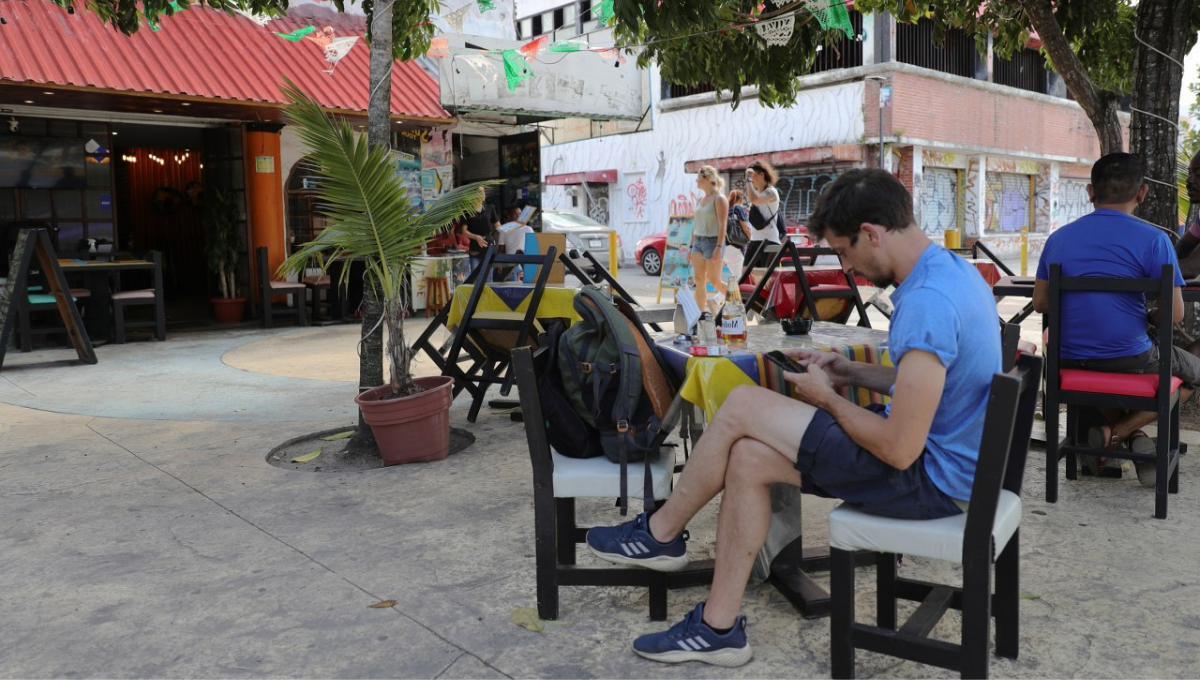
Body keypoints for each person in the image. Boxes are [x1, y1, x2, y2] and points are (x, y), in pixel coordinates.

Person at [585, 169, 1001, 667]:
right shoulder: (950, 272)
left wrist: (826, 397)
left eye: (845, 252)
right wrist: (849, 371)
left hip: (929, 480)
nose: (848, 268)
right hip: (951, 467)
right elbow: (932, 385)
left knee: (741, 404)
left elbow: (898, 448)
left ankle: (660, 532)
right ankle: (719, 628)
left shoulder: (927, 303)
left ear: (871, 232)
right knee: (747, 457)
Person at [1033, 152, 1200, 485]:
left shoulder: (1059, 238)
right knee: (1194, 374)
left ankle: (1120, 436)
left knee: (1102, 373)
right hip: (1130, 358)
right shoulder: (1155, 240)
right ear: (1143, 193)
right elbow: (1175, 314)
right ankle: (1120, 433)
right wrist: (1149, 316)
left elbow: (1040, 302)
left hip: (1068, 359)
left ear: (1090, 192)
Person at [687, 165, 729, 313]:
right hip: (698, 242)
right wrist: (691, 246)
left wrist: (719, 247)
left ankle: (737, 300)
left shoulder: (720, 198)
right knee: (699, 281)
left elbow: (723, 224)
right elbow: (696, 224)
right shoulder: (700, 199)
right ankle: (700, 315)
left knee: (715, 281)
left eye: (698, 177)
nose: (696, 180)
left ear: (706, 179)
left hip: (713, 243)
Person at [744, 160, 782, 268]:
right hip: (754, 242)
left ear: (761, 174)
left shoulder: (771, 192)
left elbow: (754, 199)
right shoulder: (757, 193)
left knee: (766, 281)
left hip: (769, 243)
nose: (750, 177)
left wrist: (748, 179)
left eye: (752, 174)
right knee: (745, 278)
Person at [460, 200, 501, 279]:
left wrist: (511, 227)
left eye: (483, 192)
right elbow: (464, 231)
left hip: (488, 246)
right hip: (475, 247)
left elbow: (499, 227)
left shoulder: (490, 208)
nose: (482, 194)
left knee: (488, 277)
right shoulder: (467, 211)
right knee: (475, 276)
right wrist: (476, 237)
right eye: (479, 192)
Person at [497, 206, 533, 281]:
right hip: (510, 265)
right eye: (516, 214)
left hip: (525, 264)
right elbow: (501, 250)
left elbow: (533, 249)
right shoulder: (504, 230)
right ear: (509, 217)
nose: (519, 216)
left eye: (520, 214)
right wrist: (499, 265)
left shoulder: (528, 229)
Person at [724, 189, 752, 278]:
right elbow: (745, 227)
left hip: (725, 247)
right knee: (739, 278)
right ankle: (727, 292)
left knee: (734, 277)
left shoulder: (726, 209)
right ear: (741, 199)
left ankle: (725, 292)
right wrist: (749, 239)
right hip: (735, 246)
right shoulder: (738, 208)